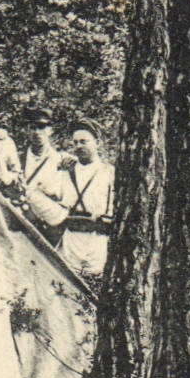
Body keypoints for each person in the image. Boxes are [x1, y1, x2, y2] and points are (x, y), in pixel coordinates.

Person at [15, 105, 77, 245]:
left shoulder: (63, 160)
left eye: (41, 126)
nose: (37, 132)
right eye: (32, 127)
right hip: (24, 226)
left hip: (53, 229)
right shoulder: (18, 160)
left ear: (50, 130)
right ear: (27, 130)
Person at [61, 117, 115, 276]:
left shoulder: (109, 173)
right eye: (75, 143)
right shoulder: (66, 171)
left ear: (97, 143)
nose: (79, 146)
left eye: (84, 141)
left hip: (97, 245)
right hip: (71, 245)